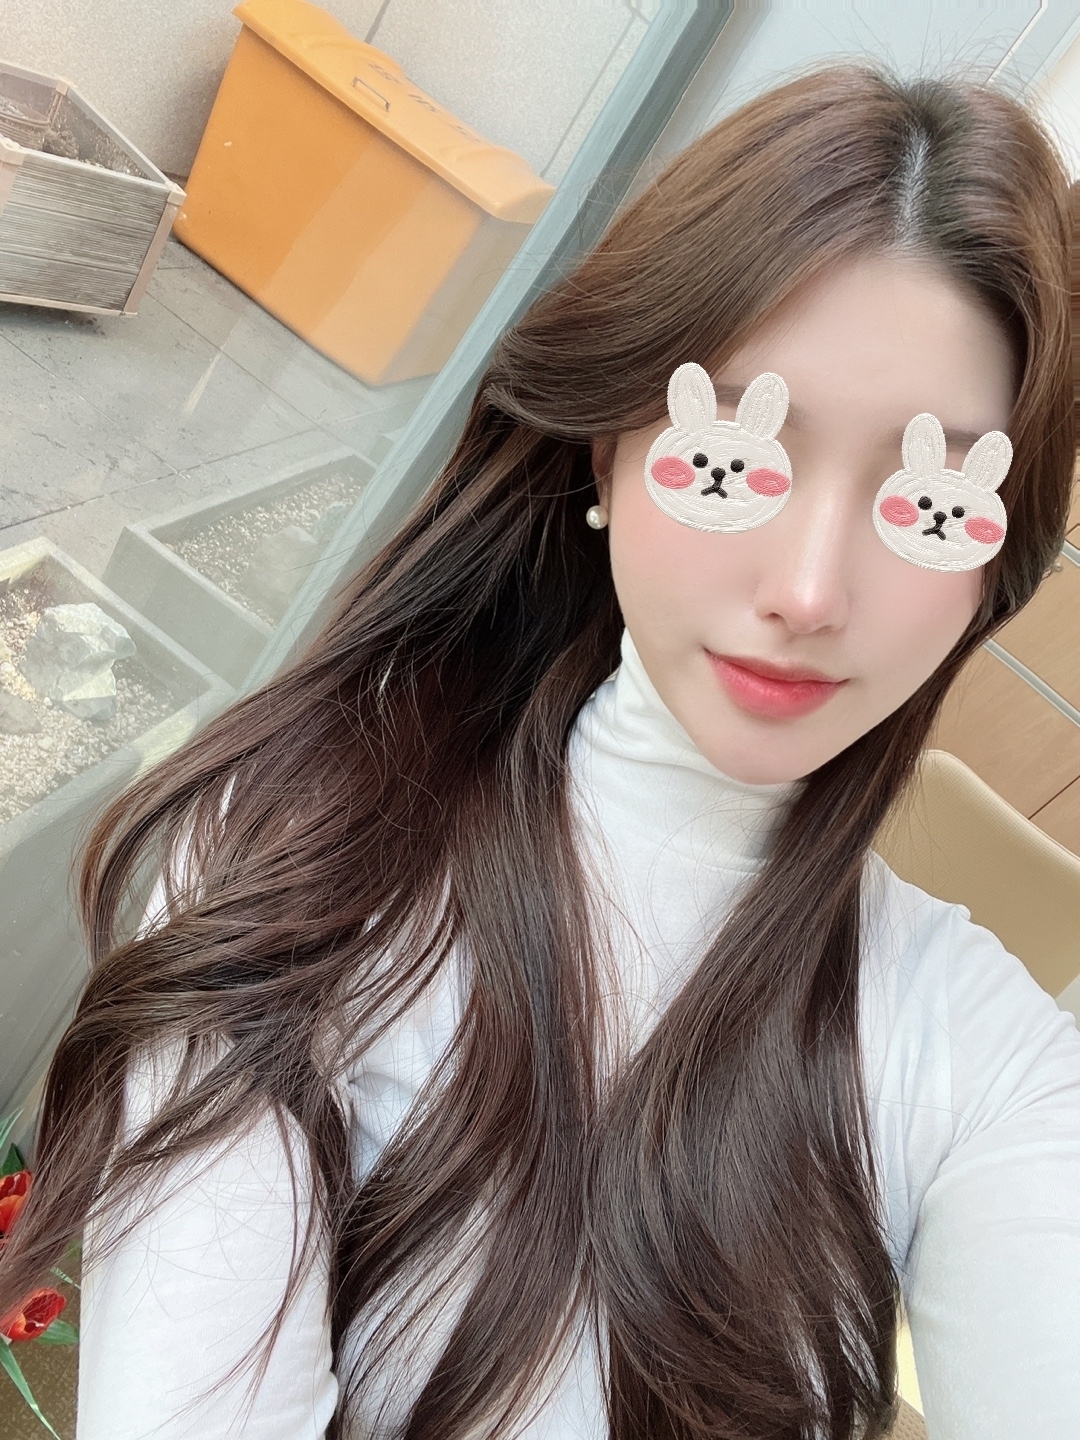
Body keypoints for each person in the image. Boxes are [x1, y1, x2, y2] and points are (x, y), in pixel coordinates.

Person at [1, 62, 1078, 1440]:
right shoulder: (306, 865)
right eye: (740, 455)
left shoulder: (978, 1056)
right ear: (608, 449)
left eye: (926, 507)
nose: (810, 590)